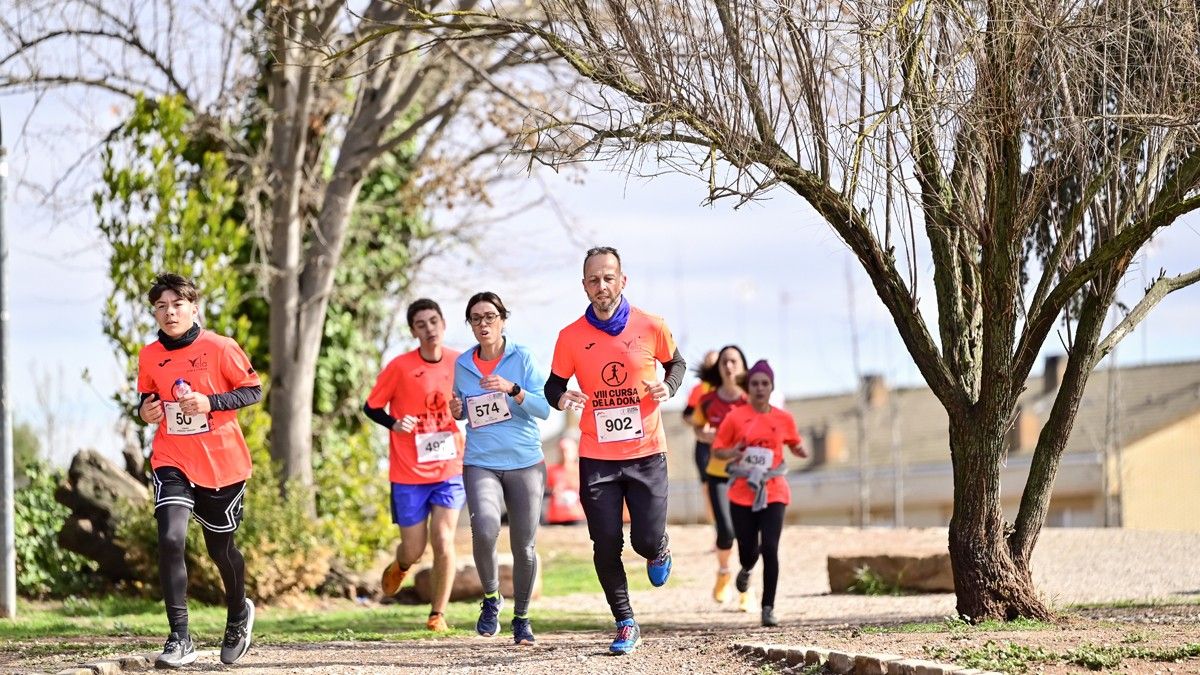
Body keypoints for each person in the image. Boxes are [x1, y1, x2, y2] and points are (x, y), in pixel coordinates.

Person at [544, 246, 687, 655]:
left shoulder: (651, 325)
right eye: (593, 279)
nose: (601, 286)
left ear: (623, 280)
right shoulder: (570, 337)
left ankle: (658, 548)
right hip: (597, 457)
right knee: (605, 542)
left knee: (643, 540)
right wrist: (563, 398)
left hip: (646, 452)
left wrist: (669, 386)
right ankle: (625, 620)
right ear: (584, 285)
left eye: (609, 277)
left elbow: (676, 363)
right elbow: (552, 386)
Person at [135, 273, 262, 668]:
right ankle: (179, 636)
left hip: (222, 464)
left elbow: (253, 390)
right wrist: (145, 411)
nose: (169, 312)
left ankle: (238, 613)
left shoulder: (221, 347)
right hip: (172, 459)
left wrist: (211, 403)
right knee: (171, 538)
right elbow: (146, 400)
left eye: (177, 305)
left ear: (193, 307)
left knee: (219, 549)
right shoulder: (149, 354)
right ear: (154, 312)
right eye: (161, 306)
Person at [451, 292, 550, 645]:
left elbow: (544, 409)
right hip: (481, 461)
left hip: (525, 461)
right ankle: (491, 599)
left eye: (490, 316)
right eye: (476, 318)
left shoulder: (521, 357)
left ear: (503, 320)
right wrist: (457, 410)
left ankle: (521, 617)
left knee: (524, 545)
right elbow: (463, 407)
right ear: (470, 324)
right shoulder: (462, 364)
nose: (483, 324)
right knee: (486, 527)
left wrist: (513, 389)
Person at [363, 298, 464, 632]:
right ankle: (401, 564)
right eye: (421, 324)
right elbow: (371, 407)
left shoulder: (460, 362)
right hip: (408, 472)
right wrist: (394, 424)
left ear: (444, 323)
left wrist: (462, 408)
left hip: (449, 466)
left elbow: (474, 404)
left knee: (444, 538)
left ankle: (438, 614)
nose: (429, 329)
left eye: (434, 321)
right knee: (415, 549)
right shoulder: (399, 367)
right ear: (413, 331)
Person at [711, 360, 807, 627]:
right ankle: (745, 569)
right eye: (755, 383)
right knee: (748, 551)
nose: (760, 388)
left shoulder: (783, 418)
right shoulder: (735, 417)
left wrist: (800, 450)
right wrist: (734, 452)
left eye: (765, 383)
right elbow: (718, 450)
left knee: (771, 548)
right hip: (742, 492)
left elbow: (794, 441)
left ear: (772, 387)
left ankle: (768, 607)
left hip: (773, 490)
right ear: (748, 388)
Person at [690, 345, 749, 607]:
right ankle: (724, 572)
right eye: (724, 362)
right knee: (725, 531)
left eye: (734, 361)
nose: (728, 367)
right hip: (718, 473)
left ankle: (746, 588)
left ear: (743, 366)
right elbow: (698, 428)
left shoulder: (752, 397)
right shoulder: (708, 400)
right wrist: (708, 436)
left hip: (750, 474)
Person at [682, 350, 718, 484]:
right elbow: (686, 415)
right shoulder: (698, 389)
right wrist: (699, 422)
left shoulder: (732, 390)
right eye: (709, 364)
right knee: (707, 486)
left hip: (727, 444)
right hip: (704, 444)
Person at [543, 436, 585, 525]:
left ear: (575, 451)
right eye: (561, 450)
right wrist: (552, 491)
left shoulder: (582, 470)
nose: (564, 454)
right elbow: (541, 492)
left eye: (567, 450)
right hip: (555, 518)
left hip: (577, 516)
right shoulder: (550, 470)